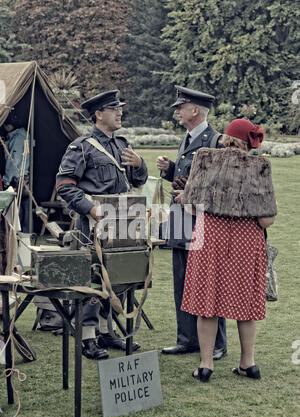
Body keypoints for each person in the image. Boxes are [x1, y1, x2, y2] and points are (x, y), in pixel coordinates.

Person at [181, 118, 277, 382]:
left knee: (207, 302)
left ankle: (206, 365)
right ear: (250, 141)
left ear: (226, 137)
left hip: (210, 237)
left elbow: (189, 207)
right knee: (245, 303)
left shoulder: (204, 158)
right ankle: (248, 363)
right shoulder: (261, 166)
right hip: (247, 242)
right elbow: (266, 220)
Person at [56, 89, 148, 360]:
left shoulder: (121, 144)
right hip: (92, 226)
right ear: (98, 114)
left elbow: (138, 180)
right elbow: (64, 186)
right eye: (113, 108)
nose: (120, 112)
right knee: (94, 282)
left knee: (118, 279)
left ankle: (107, 332)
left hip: (122, 223)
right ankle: (87, 338)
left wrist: (140, 164)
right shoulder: (81, 147)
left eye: (120, 107)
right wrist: (91, 208)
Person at [157, 85, 227, 358]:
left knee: (209, 283)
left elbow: (220, 185)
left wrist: (189, 193)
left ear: (195, 110)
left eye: (180, 107)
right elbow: (189, 178)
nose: (176, 111)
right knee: (182, 280)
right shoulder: (186, 138)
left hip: (203, 222)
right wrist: (170, 172)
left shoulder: (216, 141)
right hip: (180, 221)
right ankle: (187, 339)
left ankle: (218, 344)